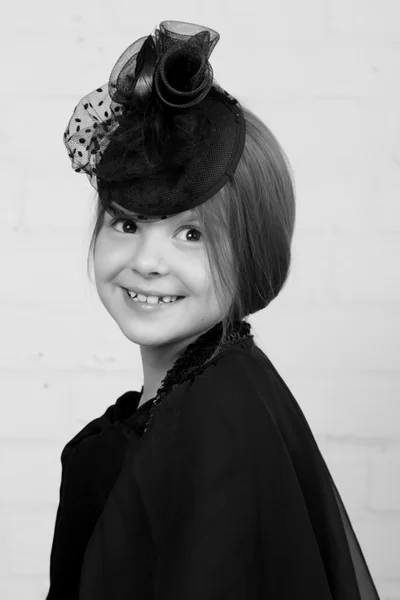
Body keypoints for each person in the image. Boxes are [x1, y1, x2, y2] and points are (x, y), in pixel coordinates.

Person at [45, 20, 381, 600]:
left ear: (250, 251)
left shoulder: (209, 425)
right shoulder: (206, 392)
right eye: (127, 223)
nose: (148, 261)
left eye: (192, 234)